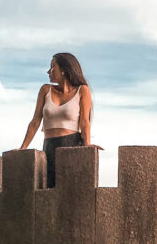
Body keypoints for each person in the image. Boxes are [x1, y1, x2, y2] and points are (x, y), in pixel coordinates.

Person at [19, 52, 100, 187]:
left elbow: (85, 121)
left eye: (52, 67)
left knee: (70, 190)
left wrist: (87, 144)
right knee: (47, 189)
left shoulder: (82, 90)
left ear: (64, 70)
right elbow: (35, 121)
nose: (48, 71)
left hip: (72, 144)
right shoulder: (45, 90)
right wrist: (22, 148)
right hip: (49, 146)